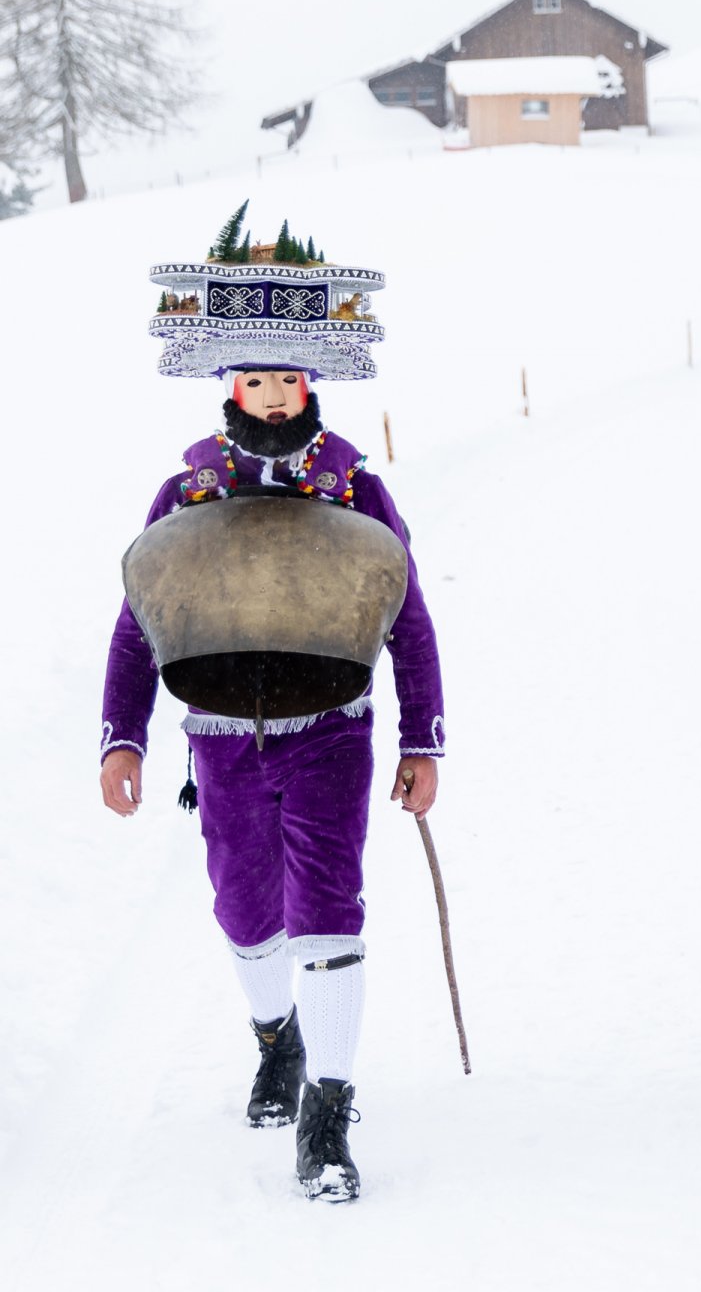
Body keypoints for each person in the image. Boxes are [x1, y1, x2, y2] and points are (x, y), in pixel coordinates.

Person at [100, 222, 444, 1201]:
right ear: (230, 387)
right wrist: (122, 736)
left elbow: (405, 615)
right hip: (219, 741)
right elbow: (141, 621)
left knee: (328, 910)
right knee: (247, 915)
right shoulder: (187, 491)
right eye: (257, 381)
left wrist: (424, 737)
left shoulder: (356, 489)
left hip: (332, 731)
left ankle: (327, 1117)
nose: (275, 396)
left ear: (313, 382)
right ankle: (274, 1037)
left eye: (290, 380)